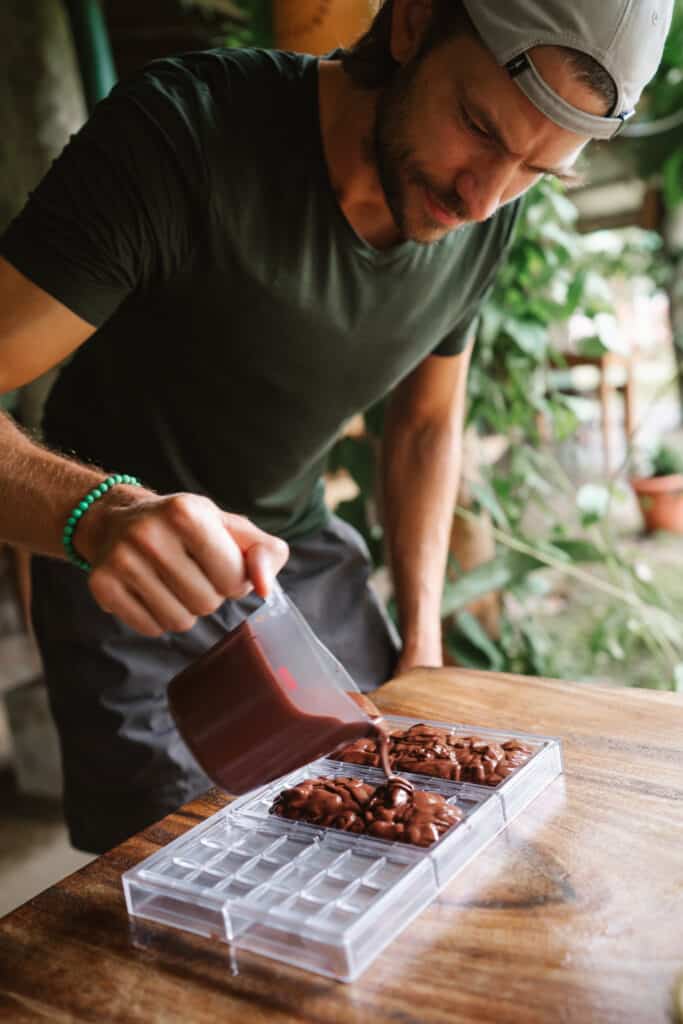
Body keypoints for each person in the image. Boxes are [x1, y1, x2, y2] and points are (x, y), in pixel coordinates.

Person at [0, 0, 672, 852]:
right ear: (413, 24)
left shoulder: (486, 204)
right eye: (477, 126)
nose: (482, 198)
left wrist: (421, 639)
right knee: (184, 899)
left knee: (408, 829)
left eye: (539, 171)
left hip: (301, 571)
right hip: (126, 577)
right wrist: (96, 514)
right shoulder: (182, 138)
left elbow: (426, 426)